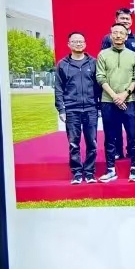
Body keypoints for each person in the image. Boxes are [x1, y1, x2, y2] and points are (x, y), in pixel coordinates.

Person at [96, 23, 135, 182]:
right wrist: (115, 96)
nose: (118, 35)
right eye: (115, 32)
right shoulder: (103, 54)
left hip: (129, 101)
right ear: (110, 35)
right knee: (110, 137)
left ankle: (134, 168)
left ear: (126, 36)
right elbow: (100, 77)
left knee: (132, 136)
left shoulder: (134, 56)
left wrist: (125, 94)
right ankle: (110, 169)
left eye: (121, 33)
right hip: (108, 101)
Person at [54, 31, 101, 184]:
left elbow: (99, 86)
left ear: (85, 44)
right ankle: (77, 173)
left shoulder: (93, 63)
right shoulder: (63, 64)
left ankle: (89, 172)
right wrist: (61, 109)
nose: (78, 44)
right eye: (75, 41)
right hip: (71, 110)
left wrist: (99, 106)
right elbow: (58, 88)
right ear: (69, 44)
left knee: (92, 143)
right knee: (74, 143)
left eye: (81, 41)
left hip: (91, 109)